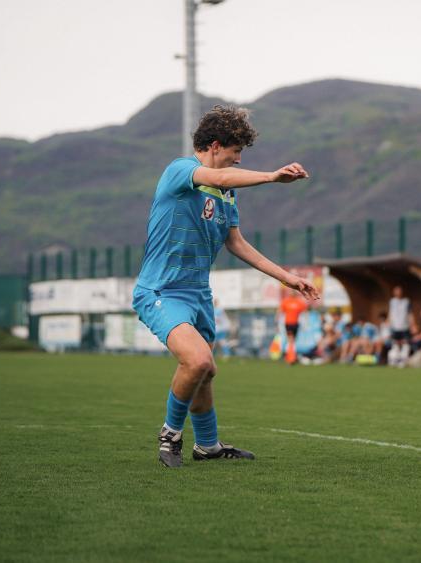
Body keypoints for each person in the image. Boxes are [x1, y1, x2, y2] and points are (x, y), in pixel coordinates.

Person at [132, 105, 318, 468]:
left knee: (207, 371)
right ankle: (170, 435)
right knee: (197, 360)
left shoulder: (226, 195)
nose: (236, 161)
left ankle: (208, 445)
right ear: (215, 146)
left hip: (198, 294)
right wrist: (271, 177)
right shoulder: (180, 171)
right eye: (235, 153)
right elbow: (217, 178)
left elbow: (236, 243)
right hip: (160, 291)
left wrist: (288, 278)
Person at [278, 288, 308, 365]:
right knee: (291, 340)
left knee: (293, 341)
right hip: (288, 323)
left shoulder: (299, 302)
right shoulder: (286, 301)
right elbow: (280, 312)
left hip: (296, 324)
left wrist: (305, 323)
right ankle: (291, 358)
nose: (292, 293)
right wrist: (278, 322)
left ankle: (291, 357)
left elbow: (305, 313)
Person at [387, 286, 411, 368]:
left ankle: (403, 361)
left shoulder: (406, 301)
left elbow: (410, 314)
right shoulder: (392, 301)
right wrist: (388, 322)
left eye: (399, 291)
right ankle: (394, 361)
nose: (398, 292)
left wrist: (412, 324)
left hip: (404, 326)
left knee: (405, 344)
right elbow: (390, 313)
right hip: (395, 327)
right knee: (395, 344)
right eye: (396, 291)